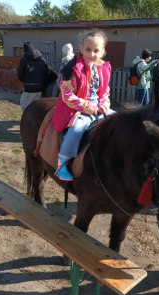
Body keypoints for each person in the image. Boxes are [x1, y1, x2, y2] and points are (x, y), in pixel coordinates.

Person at [52, 28, 114, 181]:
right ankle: (62, 163)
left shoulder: (103, 68)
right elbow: (67, 95)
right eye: (88, 49)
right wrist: (91, 108)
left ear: (103, 52)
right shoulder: (72, 69)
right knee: (77, 129)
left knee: (120, 121)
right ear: (81, 48)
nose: (92, 54)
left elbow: (105, 90)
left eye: (96, 50)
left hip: (98, 107)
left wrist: (104, 105)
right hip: (77, 109)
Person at [17, 42, 51, 111]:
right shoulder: (42, 59)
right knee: (36, 107)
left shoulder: (24, 60)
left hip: (29, 88)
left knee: (24, 106)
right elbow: (47, 74)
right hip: (40, 88)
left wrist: (26, 81)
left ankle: (26, 121)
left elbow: (20, 74)